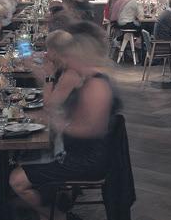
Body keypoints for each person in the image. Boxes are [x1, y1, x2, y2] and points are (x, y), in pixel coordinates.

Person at [10, 27, 118, 220]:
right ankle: (46, 207)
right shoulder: (86, 78)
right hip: (76, 150)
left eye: (69, 56)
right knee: (22, 160)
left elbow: (93, 129)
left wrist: (60, 124)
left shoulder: (94, 84)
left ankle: (60, 216)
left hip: (86, 159)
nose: (66, 60)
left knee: (16, 179)